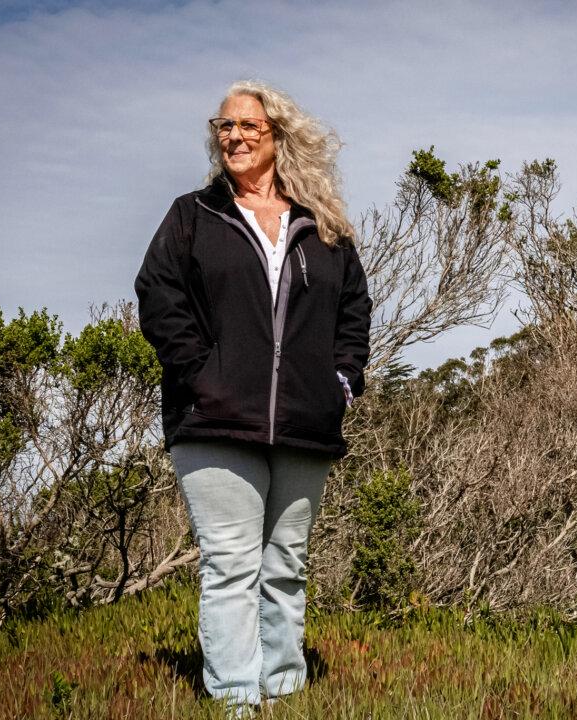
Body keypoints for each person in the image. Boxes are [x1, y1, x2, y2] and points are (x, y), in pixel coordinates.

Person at [134, 80, 371, 711]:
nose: (233, 136)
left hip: (305, 422)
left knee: (287, 564)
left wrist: (342, 380)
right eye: (223, 126)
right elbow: (159, 296)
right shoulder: (193, 215)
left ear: (278, 136)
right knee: (232, 565)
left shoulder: (323, 227)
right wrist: (200, 373)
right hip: (214, 421)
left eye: (248, 126)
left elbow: (354, 308)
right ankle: (237, 696)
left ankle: (287, 689)